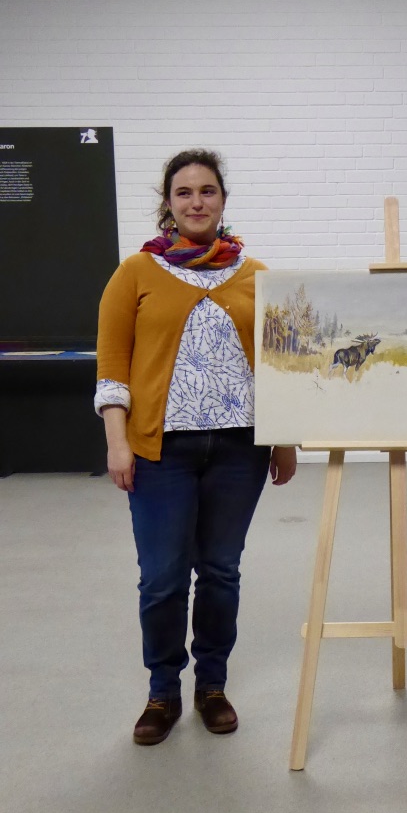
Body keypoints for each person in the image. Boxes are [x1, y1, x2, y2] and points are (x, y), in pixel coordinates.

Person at [96, 149, 297, 746]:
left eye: (207, 191)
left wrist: (284, 439)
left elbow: (281, 364)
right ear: (168, 202)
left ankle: (212, 685)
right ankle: (162, 690)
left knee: (219, 571)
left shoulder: (257, 275)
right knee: (162, 578)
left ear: (223, 200)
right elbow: (112, 368)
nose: (196, 202)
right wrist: (117, 442)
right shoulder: (135, 272)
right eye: (184, 192)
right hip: (160, 453)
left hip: (239, 451)